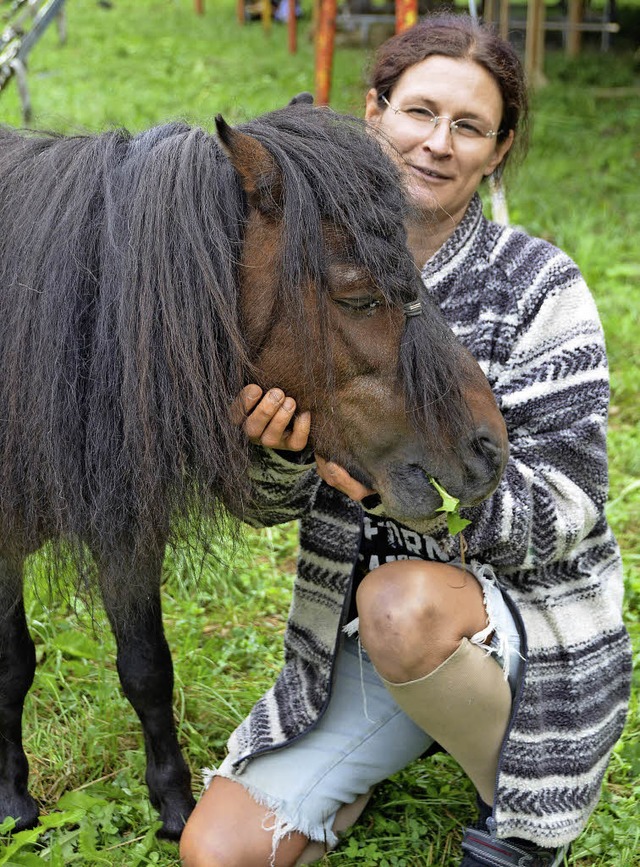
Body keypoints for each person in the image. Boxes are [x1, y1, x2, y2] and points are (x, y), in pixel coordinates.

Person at [180, 13, 632, 867]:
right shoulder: (306, 265)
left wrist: (422, 517)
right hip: (360, 627)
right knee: (218, 852)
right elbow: (267, 507)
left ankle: (525, 794)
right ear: (375, 110)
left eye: (469, 126)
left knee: (402, 603)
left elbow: (571, 504)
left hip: (522, 622)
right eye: (419, 111)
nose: (436, 143)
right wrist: (278, 454)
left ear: (497, 151)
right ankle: (419, 713)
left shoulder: (539, 285)